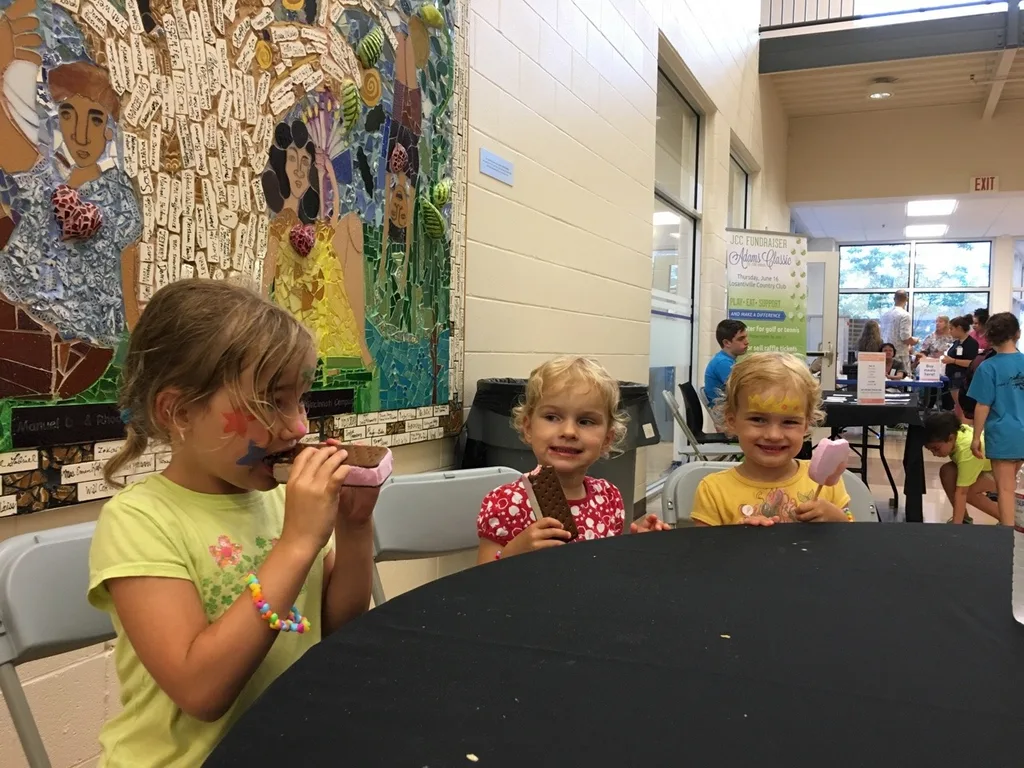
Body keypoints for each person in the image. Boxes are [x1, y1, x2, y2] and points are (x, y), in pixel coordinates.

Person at [88, 279, 378, 765]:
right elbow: (202, 692)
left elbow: (339, 627)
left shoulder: (282, 499)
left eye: (299, 399)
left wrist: (353, 528)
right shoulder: (139, 521)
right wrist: (299, 542)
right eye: (270, 402)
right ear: (178, 411)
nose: (299, 427)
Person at [475, 356, 668, 562]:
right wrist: (516, 552)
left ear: (607, 439)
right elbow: (482, 579)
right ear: (528, 427)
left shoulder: (609, 497)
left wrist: (637, 547)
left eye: (585, 421)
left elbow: (607, 565)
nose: (569, 432)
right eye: (552, 417)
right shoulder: (506, 503)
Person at [691, 352, 852, 526]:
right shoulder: (714, 491)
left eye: (789, 422)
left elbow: (850, 544)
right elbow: (705, 551)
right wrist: (734, 537)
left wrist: (837, 519)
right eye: (758, 420)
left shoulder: (826, 483)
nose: (773, 435)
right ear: (732, 421)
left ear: (807, 425)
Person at [966, 312, 1024, 526]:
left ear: (989, 338)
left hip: (1003, 434)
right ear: (1017, 334)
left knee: (1005, 489)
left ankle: (1007, 537)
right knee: (1010, 480)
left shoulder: (988, 367)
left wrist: (976, 437)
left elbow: (983, 405)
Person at [923, 411, 997, 525]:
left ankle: (1008, 520)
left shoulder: (966, 452)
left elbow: (962, 493)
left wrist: (955, 530)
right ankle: (964, 520)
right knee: (947, 471)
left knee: (968, 492)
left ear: (951, 438)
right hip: (984, 465)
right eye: (931, 450)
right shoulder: (955, 431)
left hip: (1001, 472)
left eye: (936, 448)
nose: (934, 454)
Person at [942, 316, 979, 421]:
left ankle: (966, 427)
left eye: (951, 329)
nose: (950, 332)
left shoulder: (971, 343)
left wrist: (953, 361)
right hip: (953, 378)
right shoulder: (956, 343)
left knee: (962, 406)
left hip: (962, 379)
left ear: (959, 328)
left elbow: (971, 362)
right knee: (957, 406)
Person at [704, 319, 748, 405]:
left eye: (746, 337)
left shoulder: (725, 359)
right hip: (725, 411)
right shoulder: (723, 363)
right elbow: (740, 391)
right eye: (741, 339)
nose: (747, 342)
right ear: (727, 342)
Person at [879, 290, 917, 372]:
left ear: (894, 299)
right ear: (906, 299)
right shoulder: (905, 315)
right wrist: (915, 341)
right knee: (903, 380)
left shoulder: (885, 315)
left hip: (885, 355)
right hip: (900, 356)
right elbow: (905, 337)